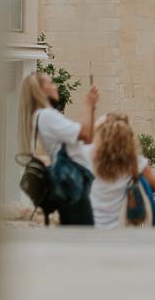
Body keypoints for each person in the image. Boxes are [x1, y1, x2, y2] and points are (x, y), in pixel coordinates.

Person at [18, 71, 98, 225]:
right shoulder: (47, 115)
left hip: (70, 186)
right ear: (40, 90)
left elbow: (88, 138)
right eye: (51, 82)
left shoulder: (40, 116)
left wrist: (92, 107)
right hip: (73, 188)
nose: (56, 86)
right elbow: (86, 134)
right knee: (83, 238)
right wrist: (88, 104)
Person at [85, 112, 155, 230]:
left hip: (95, 227)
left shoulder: (89, 155)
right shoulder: (136, 162)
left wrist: (98, 126)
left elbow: (86, 139)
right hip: (123, 229)